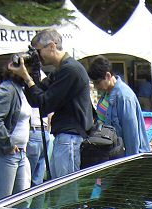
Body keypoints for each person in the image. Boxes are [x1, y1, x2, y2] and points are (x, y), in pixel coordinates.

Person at [9, 28, 93, 179]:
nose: (37, 56)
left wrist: (27, 78)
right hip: (65, 138)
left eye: (38, 51)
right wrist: (31, 71)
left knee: (67, 194)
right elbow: (36, 99)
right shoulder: (61, 70)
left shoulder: (71, 70)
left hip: (70, 139)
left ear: (52, 46)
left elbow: (45, 104)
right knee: (60, 192)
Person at [0, 67, 31, 202]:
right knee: (1, 202)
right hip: (3, 153)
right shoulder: (7, 89)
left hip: (19, 152)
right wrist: (8, 144)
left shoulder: (21, 89)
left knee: (20, 202)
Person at [87, 56, 150, 157]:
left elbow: (131, 136)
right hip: (112, 153)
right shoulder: (107, 93)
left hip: (125, 156)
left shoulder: (124, 97)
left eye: (97, 82)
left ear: (108, 76)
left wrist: (129, 163)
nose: (95, 86)